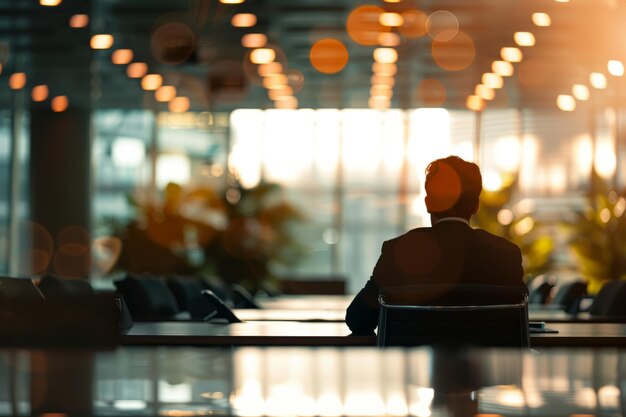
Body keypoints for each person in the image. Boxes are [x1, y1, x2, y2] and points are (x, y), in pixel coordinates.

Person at [345, 155, 524, 335]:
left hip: (412, 362)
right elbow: (516, 327)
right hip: (486, 362)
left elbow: (358, 319)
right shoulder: (506, 255)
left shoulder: (400, 251)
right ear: (475, 206)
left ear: (428, 203)